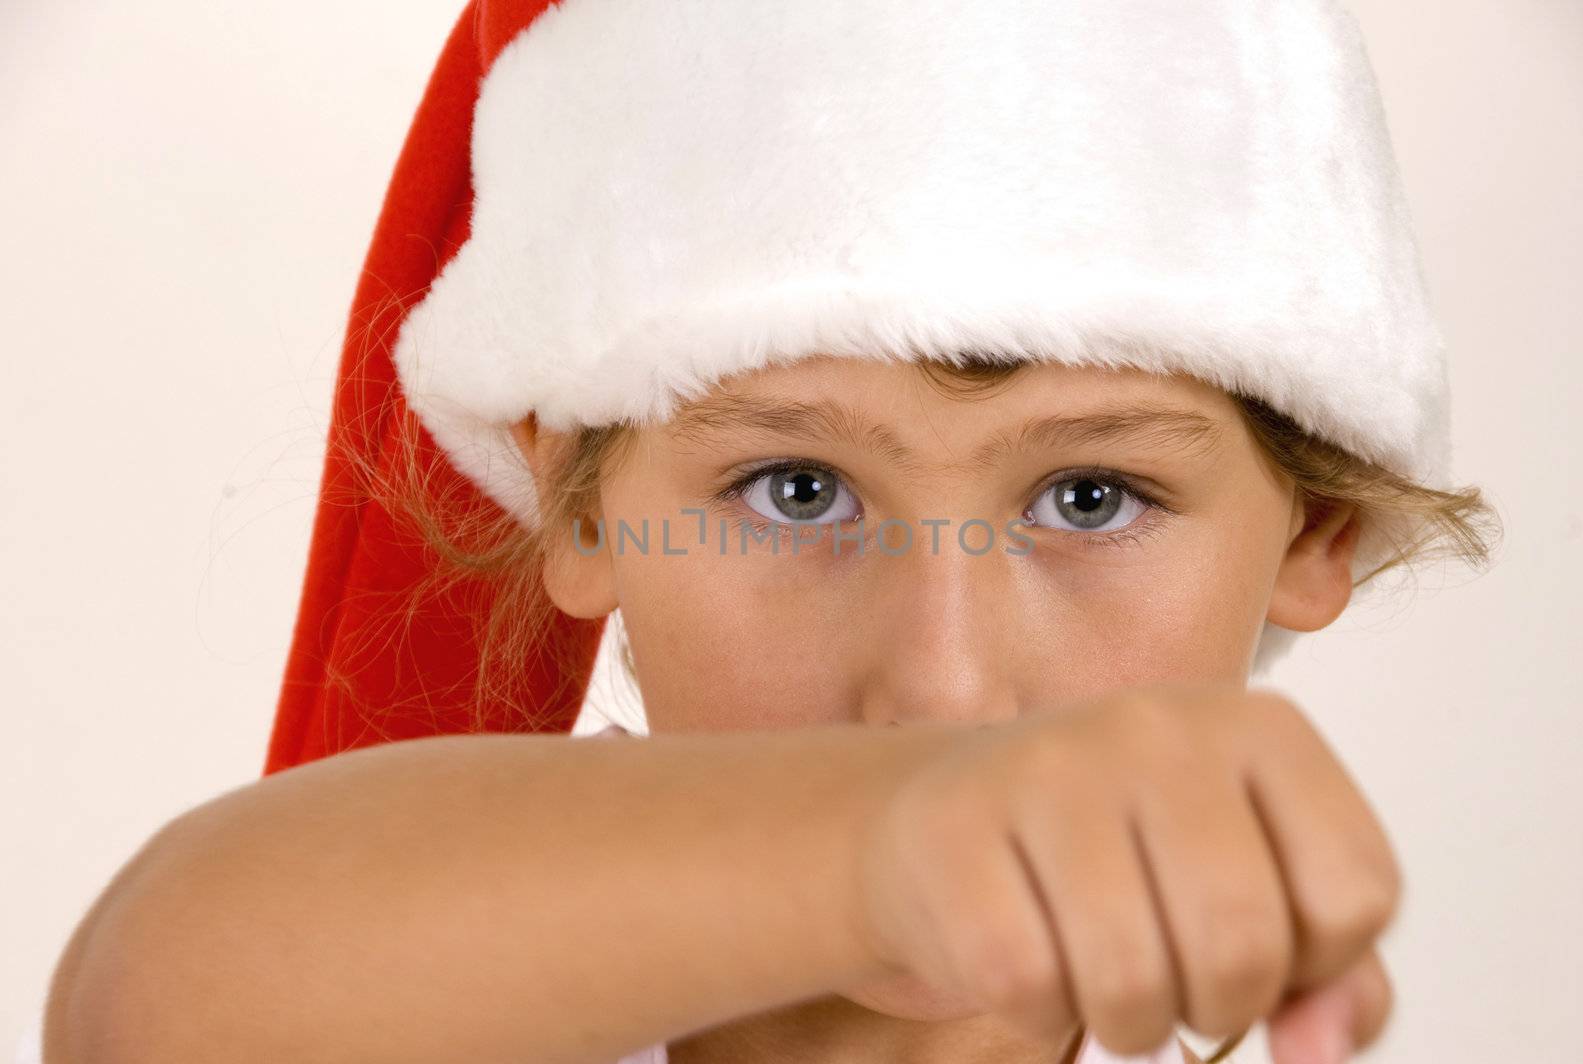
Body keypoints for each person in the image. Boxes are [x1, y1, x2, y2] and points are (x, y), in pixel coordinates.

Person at [33, 1, 1501, 1062]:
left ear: (1323, 528)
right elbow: (154, 999)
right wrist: (894, 841)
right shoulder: (414, 999)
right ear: (574, 492)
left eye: (1090, 498)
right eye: (797, 489)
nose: (939, 687)